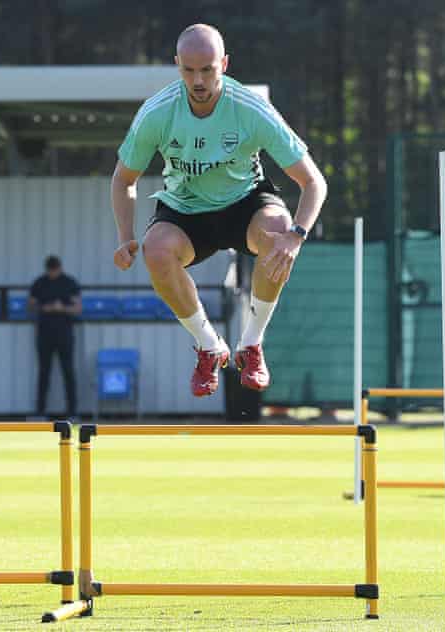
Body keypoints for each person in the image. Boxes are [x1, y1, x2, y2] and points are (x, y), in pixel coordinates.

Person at [110, 23, 327, 397]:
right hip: (184, 208)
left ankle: (252, 344)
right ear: (177, 65)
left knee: (278, 228)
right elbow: (122, 180)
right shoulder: (157, 113)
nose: (197, 80)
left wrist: (296, 236)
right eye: (188, 70)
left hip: (245, 203)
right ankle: (209, 346)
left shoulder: (251, 110)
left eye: (207, 69)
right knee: (155, 250)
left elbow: (314, 182)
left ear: (224, 64)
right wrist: (126, 237)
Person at [29, 255, 82, 418]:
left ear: (60, 268)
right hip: (44, 332)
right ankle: (40, 412)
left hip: (64, 332)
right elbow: (31, 305)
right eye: (50, 270)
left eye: (55, 270)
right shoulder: (39, 283)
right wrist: (46, 308)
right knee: (44, 372)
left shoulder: (69, 283)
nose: (52, 273)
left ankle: (72, 412)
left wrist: (61, 308)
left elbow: (77, 308)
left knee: (68, 371)